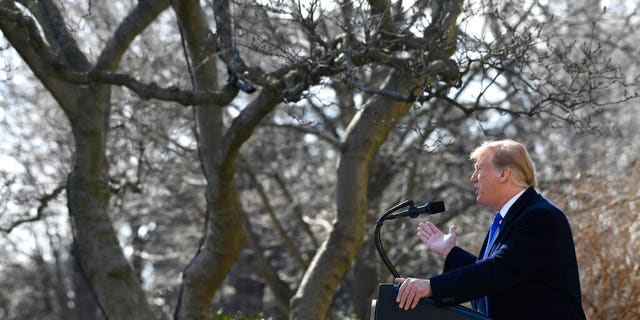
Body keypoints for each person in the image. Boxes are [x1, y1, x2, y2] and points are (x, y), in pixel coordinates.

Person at [395, 139, 586, 319]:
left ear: (504, 174)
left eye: (479, 169)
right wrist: (449, 252)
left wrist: (431, 287)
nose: (473, 178)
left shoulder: (540, 217)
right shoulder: (511, 217)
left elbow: (498, 271)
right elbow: (493, 275)